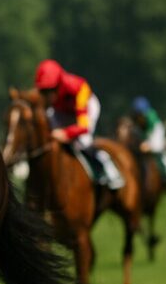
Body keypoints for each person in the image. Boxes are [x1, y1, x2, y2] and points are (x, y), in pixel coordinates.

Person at [34, 59, 124, 189]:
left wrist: (66, 133)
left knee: (83, 142)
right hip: (63, 109)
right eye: (44, 91)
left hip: (86, 108)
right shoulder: (48, 94)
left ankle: (109, 170)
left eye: (50, 90)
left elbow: (83, 126)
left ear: (59, 84)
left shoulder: (78, 88)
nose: (47, 96)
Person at [130, 96, 166, 181]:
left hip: (158, 153)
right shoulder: (136, 125)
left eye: (140, 115)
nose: (139, 118)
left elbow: (158, 146)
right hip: (143, 153)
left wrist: (148, 146)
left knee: (161, 156)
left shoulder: (156, 124)